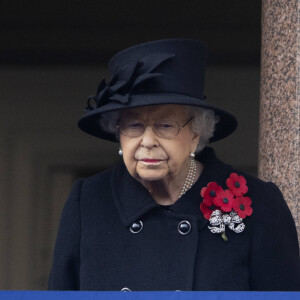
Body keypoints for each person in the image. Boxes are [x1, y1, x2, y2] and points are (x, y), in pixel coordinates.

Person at [48, 38, 300, 291]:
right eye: (134, 125)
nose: (147, 141)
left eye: (165, 125)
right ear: (119, 134)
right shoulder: (89, 201)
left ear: (196, 134)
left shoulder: (259, 202)